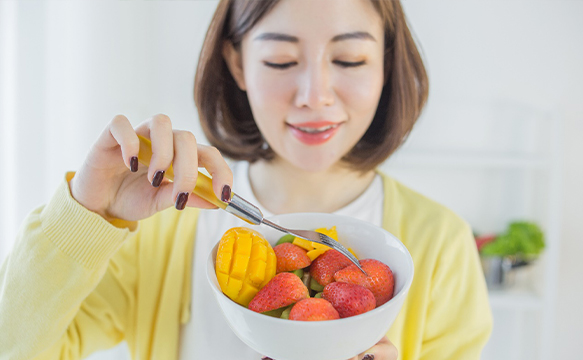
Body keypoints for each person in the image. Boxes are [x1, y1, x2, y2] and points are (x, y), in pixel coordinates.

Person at [0, 0, 492, 359]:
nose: (314, 95)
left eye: (349, 60)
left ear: (385, 63)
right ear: (237, 63)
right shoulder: (162, 228)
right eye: (281, 60)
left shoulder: (440, 244)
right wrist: (87, 215)